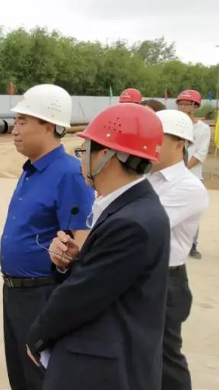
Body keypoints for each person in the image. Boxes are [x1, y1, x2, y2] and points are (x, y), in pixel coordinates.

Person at [27, 103, 170, 390]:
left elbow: (81, 296)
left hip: (102, 369)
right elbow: (106, 277)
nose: (81, 159)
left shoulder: (131, 222)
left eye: (85, 150)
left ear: (105, 155)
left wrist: (36, 338)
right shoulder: (131, 208)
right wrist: (76, 261)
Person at [0, 84, 94, 390]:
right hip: (14, 292)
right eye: (15, 121)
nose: (15, 129)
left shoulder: (70, 174)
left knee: (42, 377)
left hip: (43, 294)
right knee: (19, 375)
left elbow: (80, 241)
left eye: (23, 121)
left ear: (50, 126)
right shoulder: (30, 170)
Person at [149, 110, 209, 390]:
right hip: (141, 275)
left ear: (180, 143)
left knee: (166, 357)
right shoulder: (144, 178)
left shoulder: (189, 187)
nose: (149, 143)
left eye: (157, 138)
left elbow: (144, 225)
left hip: (166, 280)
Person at [175, 89, 209, 259]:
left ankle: (192, 245)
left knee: (191, 213)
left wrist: (183, 169)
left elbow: (200, 154)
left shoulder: (203, 129)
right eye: (180, 104)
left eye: (187, 104)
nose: (183, 107)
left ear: (195, 107)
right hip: (173, 176)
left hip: (192, 176)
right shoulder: (174, 125)